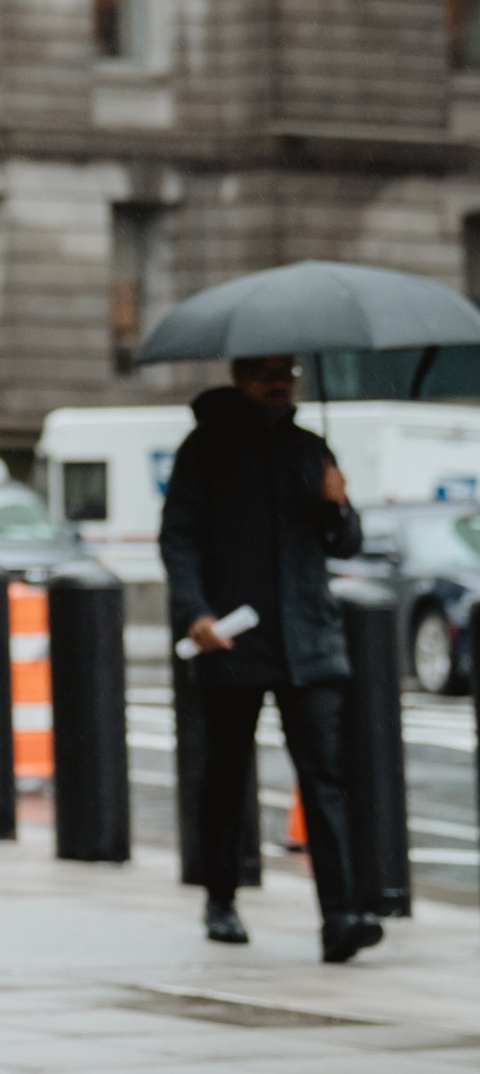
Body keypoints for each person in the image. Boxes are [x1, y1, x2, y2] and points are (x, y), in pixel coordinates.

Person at [161, 353, 380, 965]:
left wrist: (338, 504)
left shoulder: (311, 448)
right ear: (240, 378)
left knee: (326, 779)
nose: (281, 384)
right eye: (267, 374)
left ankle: (340, 916)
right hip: (235, 635)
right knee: (226, 776)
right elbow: (177, 538)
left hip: (308, 640)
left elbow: (344, 543)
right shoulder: (204, 450)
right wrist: (195, 612)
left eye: (288, 372)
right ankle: (221, 897)